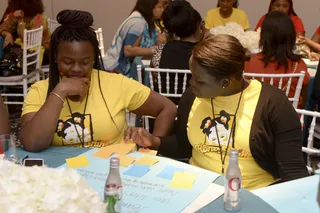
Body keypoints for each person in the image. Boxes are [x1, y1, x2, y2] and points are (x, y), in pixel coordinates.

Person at [125, 34, 309, 190]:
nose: (191, 83)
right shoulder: (192, 96)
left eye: (199, 80)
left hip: (253, 193)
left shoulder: (273, 104)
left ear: (225, 83)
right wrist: (154, 141)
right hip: (198, 187)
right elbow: (184, 145)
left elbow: (293, 170)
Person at [20, 10, 177, 152]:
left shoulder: (116, 83)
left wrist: (151, 150)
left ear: (94, 58)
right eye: (67, 62)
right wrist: (59, 92)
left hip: (112, 174)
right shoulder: (40, 90)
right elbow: (32, 143)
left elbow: (167, 108)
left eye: (85, 62)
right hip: (64, 176)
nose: (76, 69)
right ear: (55, 57)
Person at [245, 11, 310, 109]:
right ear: (291, 37)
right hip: (289, 120)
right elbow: (303, 100)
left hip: (255, 120)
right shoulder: (299, 64)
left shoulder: (248, 62)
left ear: (263, 36)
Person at [151, 0, 204, 104]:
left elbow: (155, 79)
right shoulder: (206, 52)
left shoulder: (160, 51)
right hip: (195, 109)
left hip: (166, 109)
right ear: (198, 26)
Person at [103, 0, 163, 76]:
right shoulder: (137, 22)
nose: (162, 10)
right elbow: (128, 50)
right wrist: (155, 50)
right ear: (150, 7)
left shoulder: (145, 20)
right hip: (115, 69)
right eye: (159, 7)